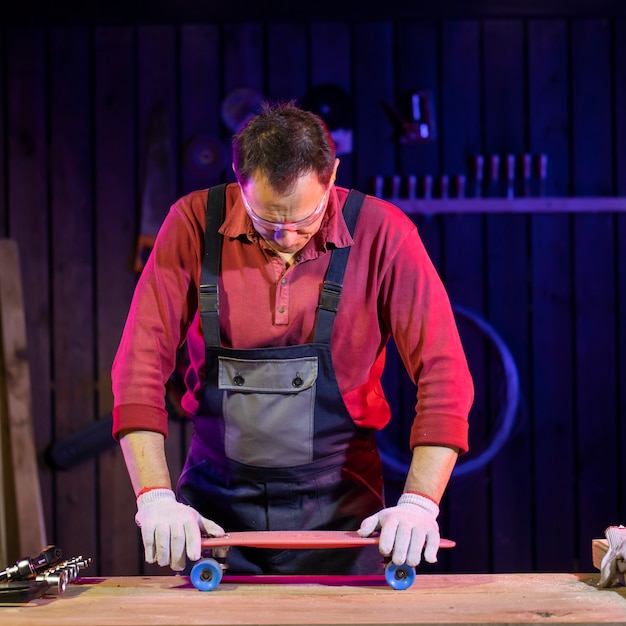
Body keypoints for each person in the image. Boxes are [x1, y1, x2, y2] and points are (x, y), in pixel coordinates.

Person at [111, 101, 473, 576]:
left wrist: (420, 502)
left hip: (344, 512)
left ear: (332, 176)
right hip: (216, 513)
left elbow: (445, 375)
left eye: (304, 221)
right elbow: (138, 366)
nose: (285, 238)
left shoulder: (383, 234)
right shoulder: (193, 224)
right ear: (239, 181)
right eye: (267, 222)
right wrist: (156, 497)